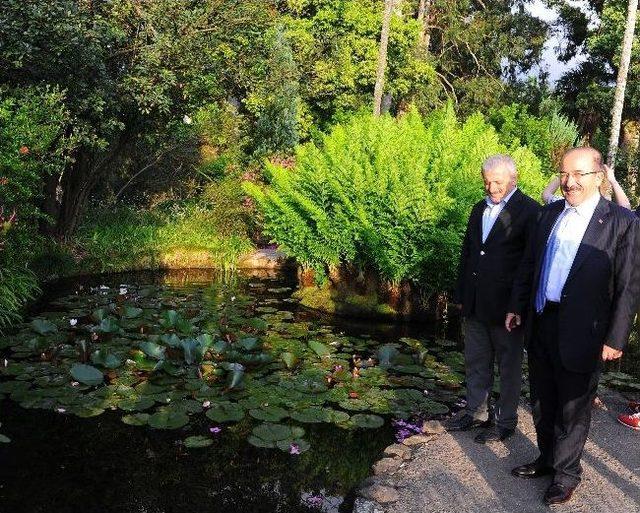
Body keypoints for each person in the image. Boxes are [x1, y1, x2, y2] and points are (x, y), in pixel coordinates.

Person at [506, 147, 640, 505]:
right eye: (564, 174)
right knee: (541, 398)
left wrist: (615, 337)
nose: (569, 182)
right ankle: (547, 459)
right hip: (542, 319)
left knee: (573, 406)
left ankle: (566, 475)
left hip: (586, 329)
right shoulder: (547, 215)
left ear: (598, 176)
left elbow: (628, 286)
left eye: (579, 174)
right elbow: (529, 266)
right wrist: (517, 306)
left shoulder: (621, 222)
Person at [448, 154, 539, 443]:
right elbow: (468, 253)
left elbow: (530, 263)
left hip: (507, 308)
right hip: (475, 303)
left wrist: (518, 305)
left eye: (497, 181)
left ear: (514, 179)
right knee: (476, 359)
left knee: (508, 366)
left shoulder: (529, 211)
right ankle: (474, 412)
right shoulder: (478, 208)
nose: (491, 187)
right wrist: (461, 294)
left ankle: (505, 421)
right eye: (487, 181)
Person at [541, 163, 632, 208]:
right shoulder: (606, 210)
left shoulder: (567, 203)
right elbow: (626, 208)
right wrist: (613, 181)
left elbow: (546, 195)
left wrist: (564, 174)